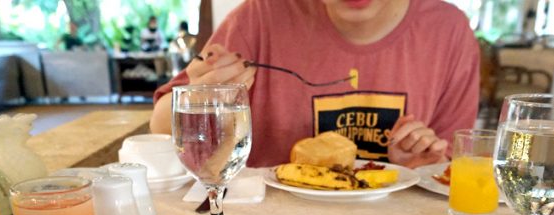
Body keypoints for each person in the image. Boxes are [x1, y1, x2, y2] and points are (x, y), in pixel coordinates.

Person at [150, 0, 480, 168]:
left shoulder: (448, 31)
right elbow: (160, 125)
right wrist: (200, 97)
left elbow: (452, 165)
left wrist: (417, 166)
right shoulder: (260, 16)